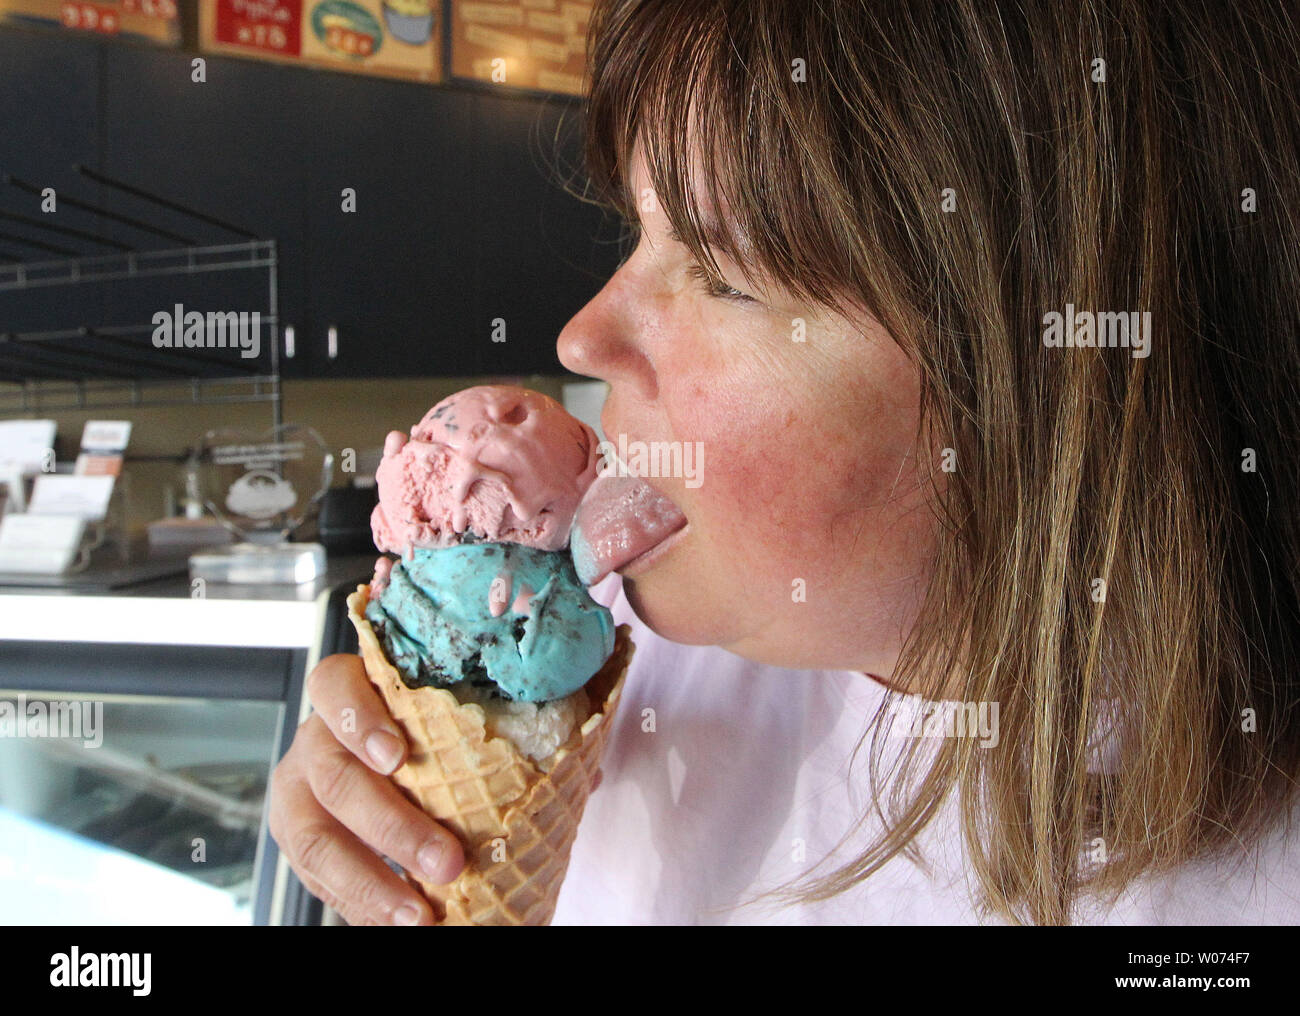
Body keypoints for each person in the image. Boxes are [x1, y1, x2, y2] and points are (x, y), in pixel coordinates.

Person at [268, 0, 1300, 925]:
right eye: (634, 230)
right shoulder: (597, 660)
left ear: (1057, 390)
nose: (582, 336)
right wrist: (400, 839)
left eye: (722, 274)